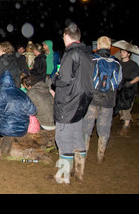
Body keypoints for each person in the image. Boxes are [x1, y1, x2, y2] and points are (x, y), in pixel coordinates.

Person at [51, 24, 94, 184]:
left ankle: (64, 176)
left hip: (68, 103)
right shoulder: (87, 54)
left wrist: (55, 78)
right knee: (77, 136)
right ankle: (79, 172)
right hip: (82, 103)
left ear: (66, 36)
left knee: (63, 138)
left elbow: (65, 79)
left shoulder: (71, 54)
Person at [82, 36, 122, 163]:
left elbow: (85, 80)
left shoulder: (91, 60)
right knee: (104, 129)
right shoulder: (116, 63)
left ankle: (84, 155)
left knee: (86, 128)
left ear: (97, 47)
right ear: (110, 47)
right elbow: (119, 83)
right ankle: (100, 156)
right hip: (108, 101)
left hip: (91, 99)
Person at [0, 70, 37, 138]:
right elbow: (33, 111)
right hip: (22, 130)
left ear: (0, 81)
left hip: (5, 130)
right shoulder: (21, 93)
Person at [117, 48, 139, 136]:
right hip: (120, 88)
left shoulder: (133, 64)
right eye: (121, 52)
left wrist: (130, 83)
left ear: (129, 54)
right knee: (119, 107)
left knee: (126, 107)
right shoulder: (118, 63)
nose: (122, 53)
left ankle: (126, 126)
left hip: (129, 89)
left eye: (124, 52)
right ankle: (126, 121)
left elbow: (138, 77)